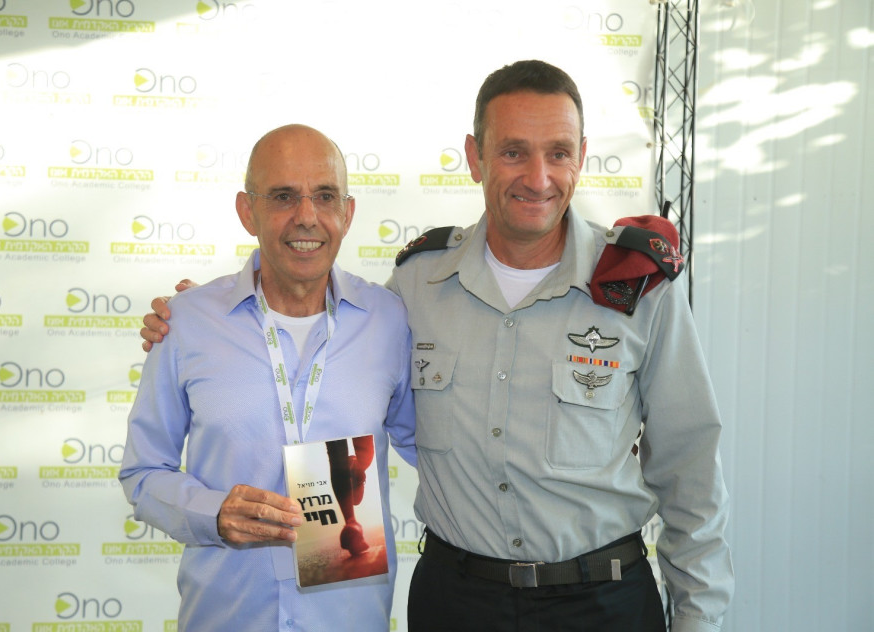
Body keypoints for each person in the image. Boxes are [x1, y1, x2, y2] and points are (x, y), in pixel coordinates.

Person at [140, 61, 734, 632]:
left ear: (581, 156)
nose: (538, 177)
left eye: (558, 153)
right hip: (458, 601)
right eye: (513, 152)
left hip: (602, 600)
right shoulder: (415, 287)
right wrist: (212, 318)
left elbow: (689, 467)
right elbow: (313, 331)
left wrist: (699, 617)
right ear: (475, 157)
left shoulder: (637, 287)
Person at [120, 124, 416, 631]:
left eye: (325, 196)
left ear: (347, 213)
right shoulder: (187, 323)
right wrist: (212, 513)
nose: (307, 216)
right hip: (227, 618)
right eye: (283, 196)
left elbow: (436, 447)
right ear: (246, 211)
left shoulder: (389, 319)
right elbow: (143, 472)